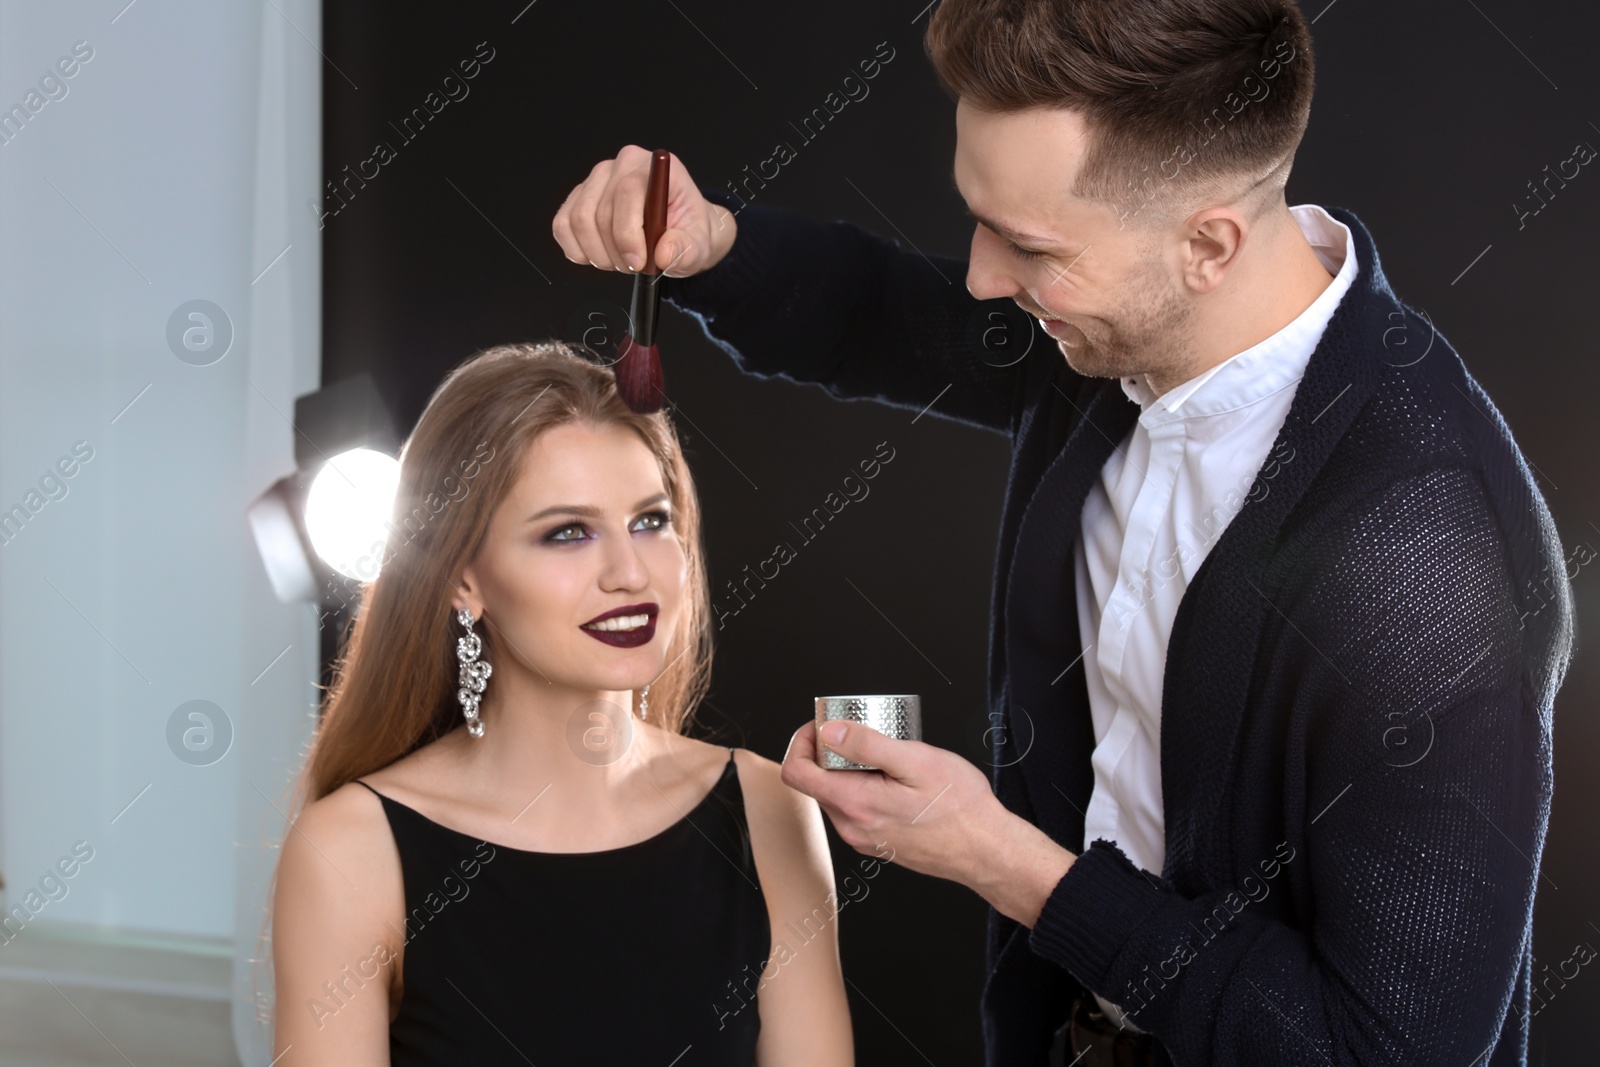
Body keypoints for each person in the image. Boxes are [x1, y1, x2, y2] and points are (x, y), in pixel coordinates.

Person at [550, 1, 1576, 1064]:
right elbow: (892, 317)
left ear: (1207, 244)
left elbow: (1377, 1052)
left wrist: (1007, 862)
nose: (987, 275)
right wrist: (710, 244)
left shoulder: (1433, 559)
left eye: (1028, 244)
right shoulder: (1111, 323)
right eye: (980, 219)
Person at [269, 342, 854, 1065]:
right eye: (567, 532)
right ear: (463, 581)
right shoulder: (349, 852)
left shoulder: (770, 810)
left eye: (650, 519)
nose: (629, 571)